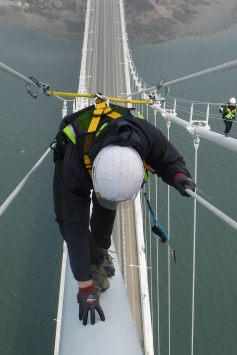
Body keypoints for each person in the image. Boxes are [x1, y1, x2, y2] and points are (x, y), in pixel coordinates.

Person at [52, 97, 196, 326]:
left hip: (106, 153)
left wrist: (179, 175)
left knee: (107, 205)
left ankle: (99, 252)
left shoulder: (148, 136)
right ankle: (92, 262)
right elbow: (74, 225)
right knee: (64, 217)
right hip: (76, 150)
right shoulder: (75, 164)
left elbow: (168, 159)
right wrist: (85, 288)